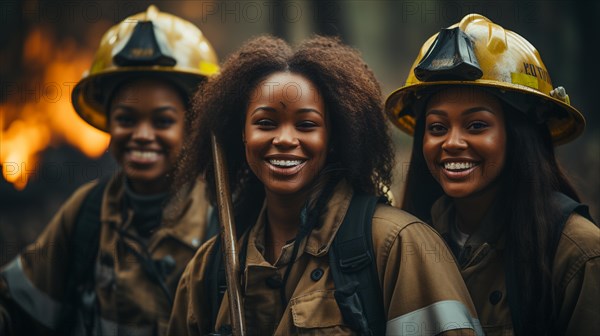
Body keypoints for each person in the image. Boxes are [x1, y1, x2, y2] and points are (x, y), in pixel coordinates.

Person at [168, 35, 483, 335]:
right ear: (242, 134)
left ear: (334, 137)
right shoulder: (208, 270)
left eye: (306, 125)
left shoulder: (397, 245)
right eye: (265, 123)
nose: (285, 139)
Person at [0, 5, 219, 335]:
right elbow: (16, 308)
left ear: (192, 128)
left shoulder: (222, 223)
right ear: (108, 125)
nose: (142, 134)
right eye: (126, 120)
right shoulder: (87, 213)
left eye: (162, 121)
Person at [386, 13, 600, 335]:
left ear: (519, 136)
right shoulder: (408, 241)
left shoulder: (579, 254)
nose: (452, 143)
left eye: (476, 125)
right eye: (437, 127)